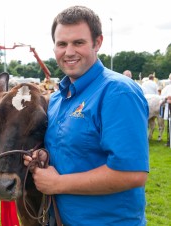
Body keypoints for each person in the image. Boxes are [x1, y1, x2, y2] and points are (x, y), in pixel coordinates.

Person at [24, 6, 149, 225]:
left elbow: (132, 174)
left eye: (78, 43)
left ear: (97, 43)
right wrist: (46, 157)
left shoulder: (118, 92)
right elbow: (75, 150)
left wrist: (58, 183)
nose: (69, 52)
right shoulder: (57, 99)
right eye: (62, 44)